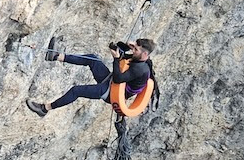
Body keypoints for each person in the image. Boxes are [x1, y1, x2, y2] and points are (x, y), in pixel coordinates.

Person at [26, 38, 156, 116]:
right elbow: (123, 56)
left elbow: (119, 78)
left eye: (136, 50)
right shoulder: (139, 58)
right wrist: (127, 46)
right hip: (111, 82)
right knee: (93, 59)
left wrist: (116, 58)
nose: (134, 51)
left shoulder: (140, 69)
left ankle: (44, 109)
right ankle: (55, 56)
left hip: (111, 92)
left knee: (76, 91)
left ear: (145, 54)